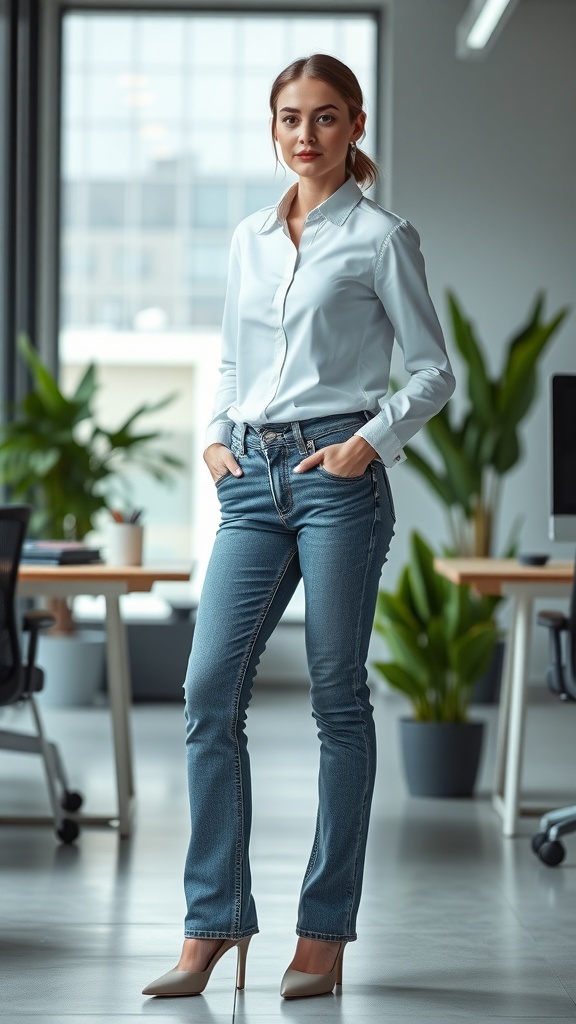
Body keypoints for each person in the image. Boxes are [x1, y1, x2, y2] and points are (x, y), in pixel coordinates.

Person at [143, 53, 455, 1001]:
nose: (304, 135)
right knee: (207, 693)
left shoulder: (381, 237)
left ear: (355, 127)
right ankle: (213, 924)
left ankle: (323, 932)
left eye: (324, 118)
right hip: (251, 476)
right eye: (288, 118)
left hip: (336, 477)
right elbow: (235, 359)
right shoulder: (247, 237)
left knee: (334, 700)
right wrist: (211, 437)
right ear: (271, 128)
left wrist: (367, 444)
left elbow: (434, 371)